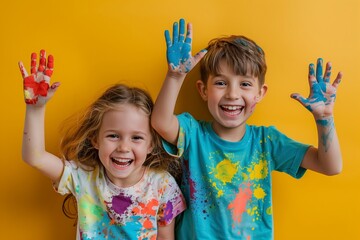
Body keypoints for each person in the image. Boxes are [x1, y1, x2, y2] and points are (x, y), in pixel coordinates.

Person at [151, 19, 343, 239]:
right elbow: (160, 122)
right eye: (221, 83)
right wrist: (175, 77)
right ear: (203, 90)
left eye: (245, 84)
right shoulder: (193, 133)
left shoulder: (267, 141)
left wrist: (325, 118)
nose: (232, 94)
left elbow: (330, 166)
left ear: (260, 93)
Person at [20, 50, 186, 240]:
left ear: (151, 145)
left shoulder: (162, 185)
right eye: (113, 136)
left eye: (136, 138)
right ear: (95, 139)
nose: (124, 147)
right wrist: (35, 108)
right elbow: (35, 157)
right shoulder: (83, 177)